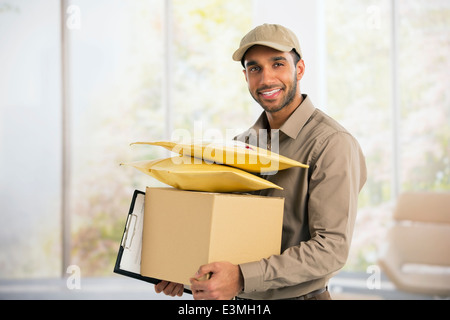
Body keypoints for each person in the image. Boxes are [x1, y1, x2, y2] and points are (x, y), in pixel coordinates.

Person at [154, 23, 367, 300]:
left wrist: (242, 277)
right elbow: (225, 226)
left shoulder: (332, 143)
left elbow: (331, 249)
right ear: (246, 76)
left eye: (277, 64)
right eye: (255, 68)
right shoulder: (240, 145)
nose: (266, 79)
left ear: (299, 69)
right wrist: (185, 270)